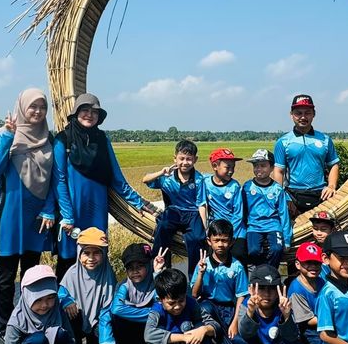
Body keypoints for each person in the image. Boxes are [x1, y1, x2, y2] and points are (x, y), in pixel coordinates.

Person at [53, 93, 159, 279]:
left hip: (96, 209)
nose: (89, 114)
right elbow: (59, 180)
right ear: (75, 113)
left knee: (97, 255)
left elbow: (117, 179)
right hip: (73, 210)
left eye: (94, 112)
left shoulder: (102, 139)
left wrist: (140, 203)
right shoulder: (63, 140)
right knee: (69, 260)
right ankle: (64, 304)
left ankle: (98, 304)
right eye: (85, 110)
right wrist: (67, 215)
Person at [0, 87, 57, 338]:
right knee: (5, 276)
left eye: (42, 107)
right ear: (22, 108)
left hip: (36, 219)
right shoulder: (5, 135)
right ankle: (6, 327)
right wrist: (8, 135)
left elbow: (53, 181)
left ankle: (30, 321)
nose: (38, 112)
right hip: (10, 217)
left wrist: (50, 210)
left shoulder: (49, 139)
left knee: (31, 275)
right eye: (33, 107)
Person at [224, 264, 302, 344]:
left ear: (279, 290)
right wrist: (250, 312)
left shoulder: (284, 305)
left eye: (272, 288)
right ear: (251, 289)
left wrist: (286, 316)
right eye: (261, 288)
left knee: (295, 342)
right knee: (238, 341)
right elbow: (244, 334)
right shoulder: (246, 304)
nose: (267, 294)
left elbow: (292, 336)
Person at [144, 140, 208, 269]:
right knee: (163, 227)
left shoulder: (199, 179)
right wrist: (161, 172)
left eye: (189, 159)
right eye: (181, 158)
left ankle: (195, 276)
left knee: (197, 238)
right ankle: (160, 268)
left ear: (195, 160)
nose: (185, 162)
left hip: (192, 213)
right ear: (175, 159)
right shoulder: (167, 177)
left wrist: (205, 228)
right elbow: (145, 179)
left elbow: (201, 204)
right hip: (173, 211)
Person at [273, 94, 340, 219]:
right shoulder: (283, 142)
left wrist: (331, 186)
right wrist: (279, 194)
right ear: (291, 114)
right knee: (294, 234)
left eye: (307, 113)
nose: (303, 117)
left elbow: (334, 164)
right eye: (298, 113)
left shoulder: (325, 140)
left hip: (321, 195)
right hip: (292, 196)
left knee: (322, 234)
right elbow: (279, 170)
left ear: (314, 114)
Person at [60, 227, 117, 344]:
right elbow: (61, 294)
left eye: (97, 253)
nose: (91, 258)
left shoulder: (108, 276)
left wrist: (106, 336)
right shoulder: (72, 274)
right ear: (79, 254)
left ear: (104, 254)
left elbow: (108, 308)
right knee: (68, 314)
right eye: (86, 253)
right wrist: (67, 301)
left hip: (98, 321)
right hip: (77, 319)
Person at [190, 219, 248, 344]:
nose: (220, 244)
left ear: (232, 241)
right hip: (208, 306)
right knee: (205, 308)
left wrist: (235, 322)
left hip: (229, 309)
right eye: (216, 240)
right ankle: (214, 341)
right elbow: (194, 294)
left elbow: (241, 296)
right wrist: (201, 274)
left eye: (224, 240)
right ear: (209, 241)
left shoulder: (237, 266)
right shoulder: (203, 264)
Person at [110, 242, 168, 344]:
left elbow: (163, 302)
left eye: (140, 266)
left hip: (151, 326)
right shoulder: (124, 286)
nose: (135, 271)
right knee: (117, 318)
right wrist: (151, 313)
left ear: (148, 265)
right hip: (133, 325)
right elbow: (116, 309)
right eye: (131, 268)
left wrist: (157, 273)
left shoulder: (156, 280)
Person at [242, 148, 292, 269]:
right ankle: (261, 271)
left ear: (271, 168)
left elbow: (283, 214)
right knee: (253, 250)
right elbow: (242, 211)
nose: (258, 169)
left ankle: (270, 271)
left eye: (263, 166)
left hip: (273, 225)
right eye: (256, 166)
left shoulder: (277, 189)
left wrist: (287, 238)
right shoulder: (247, 187)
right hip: (254, 226)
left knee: (277, 249)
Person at [202, 148, 247, 265]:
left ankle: (242, 281)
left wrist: (230, 233)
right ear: (215, 166)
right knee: (210, 256)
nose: (231, 171)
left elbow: (238, 214)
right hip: (216, 228)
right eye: (227, 167)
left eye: (233, 167)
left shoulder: (234, 186)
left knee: (238, 254)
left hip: (235, 229)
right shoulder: (205, 182)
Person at [286, 241, 326, 344]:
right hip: (309, 330)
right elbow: (307, 320)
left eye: (316, 263)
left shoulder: (321, 281)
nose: (313, 266)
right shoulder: (296, 290)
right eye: (308, 263)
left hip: (323, 323)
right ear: (298, 264)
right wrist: (331, 318)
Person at [310, 209, 337, 278]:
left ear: (332, 230)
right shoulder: (310, 249)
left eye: (323, 229)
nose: (319, 233)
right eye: (315, 228)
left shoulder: (337, 250)